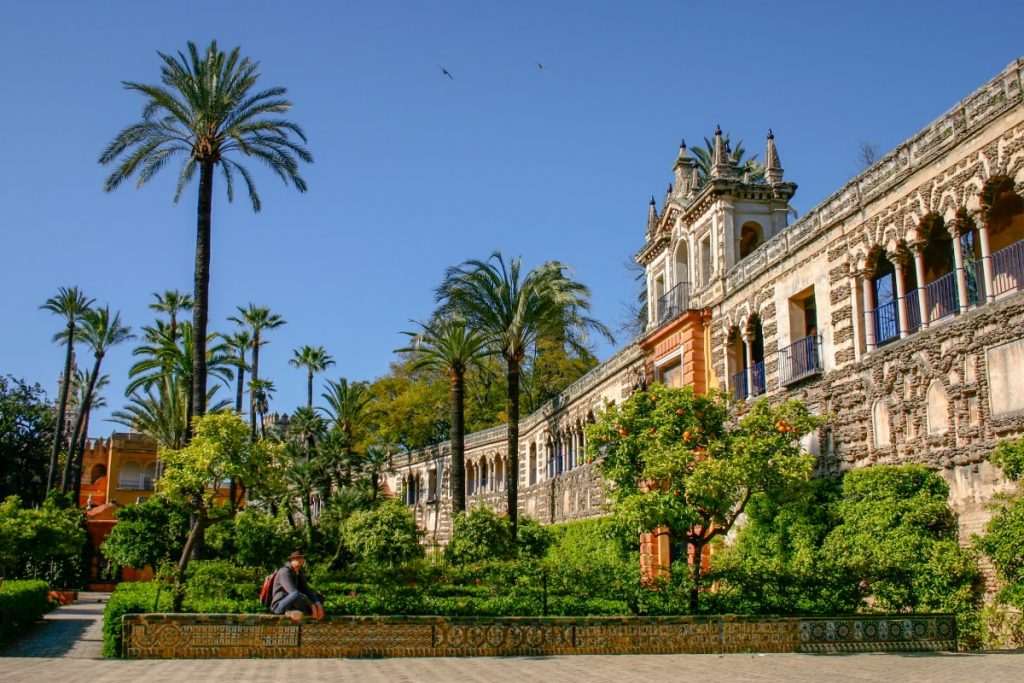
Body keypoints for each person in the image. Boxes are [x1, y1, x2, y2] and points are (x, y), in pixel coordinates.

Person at [270, 549, 326, 621]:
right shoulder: (284, 571)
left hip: (293, 603)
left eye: (301, 557)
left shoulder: (299, 573)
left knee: (319, 598)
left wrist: (318, 604)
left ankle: (306, 612)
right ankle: (304, 611)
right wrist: (311, 604)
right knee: (296, 594)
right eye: (296, 558)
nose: (299, 559)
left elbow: (307, 590)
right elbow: (293, 592)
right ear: (291, 559)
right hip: (279, 606)